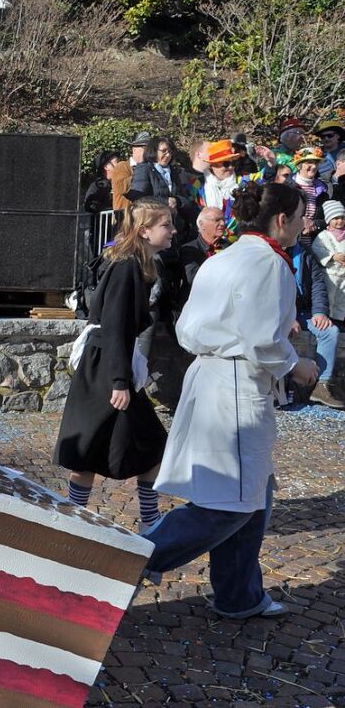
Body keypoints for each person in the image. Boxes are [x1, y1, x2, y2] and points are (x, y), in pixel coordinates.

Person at [143, 181, 319, 619]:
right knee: (229, 504)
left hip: (216, 379)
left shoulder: (225, 257)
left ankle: (239, 595)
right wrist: (296, 365)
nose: (304, 222)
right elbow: (262, 339)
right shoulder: (267, 264)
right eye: (300, 215)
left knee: (254, 495)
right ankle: (132, 559)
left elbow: (198, 325)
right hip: (237, 389)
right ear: (282, 220)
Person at [53, 199, 173, 531]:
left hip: (107, 363)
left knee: (135, 445)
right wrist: (119, 381)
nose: (173, 230)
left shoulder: (135, 265)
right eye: (166, 225)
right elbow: (116, 323)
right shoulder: (126, 268)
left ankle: (141, 519)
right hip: (106, 367)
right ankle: (79, 520)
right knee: (103, 447)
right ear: (145, 230)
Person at [290, 238, 344, 408]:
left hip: (303, 311)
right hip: (280, 312)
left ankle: (321, 386)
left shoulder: (304, 252)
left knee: (330, 331)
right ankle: (282, 385)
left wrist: (320, 312)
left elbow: (317, 285)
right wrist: (286, 316)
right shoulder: (270, 252)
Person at [179, 207, 229, 290]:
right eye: (217, 220)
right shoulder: (189, 250)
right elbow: (193, 278)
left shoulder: (231, 247)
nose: (223, 223)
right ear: (202, 224)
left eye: (224, 220)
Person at [290, 146, 332, 248]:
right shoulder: (288, 187)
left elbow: (328, 218)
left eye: (316, 163)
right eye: (308, 162)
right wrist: (301, 221)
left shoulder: (323, 190)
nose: (313, 166)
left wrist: (314, 224)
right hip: (290, 241)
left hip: (315, 244)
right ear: (299, 165)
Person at [312, 199, 345, 324]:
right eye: (336, 218)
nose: (340, 221)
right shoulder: (323, 235)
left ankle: (340, 320)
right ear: (328, 220)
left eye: (342, 217)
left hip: (343, 275)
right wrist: (332, 256)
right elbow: (318, 251)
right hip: (329, 275)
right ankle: (328, 319)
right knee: (329, 298)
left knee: (342, 300)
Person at [109, 130, 151, 213]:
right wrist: (142, 173)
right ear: (134, 149)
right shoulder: (122, 166)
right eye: (145, 148)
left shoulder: (151, 167)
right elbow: (122, 188)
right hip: (125, 217)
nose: (148, 151)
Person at [314, 114, 345, 183]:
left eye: (330, 135)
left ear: (338, 136)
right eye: (323, 136)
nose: (326, 138)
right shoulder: (316, 155)